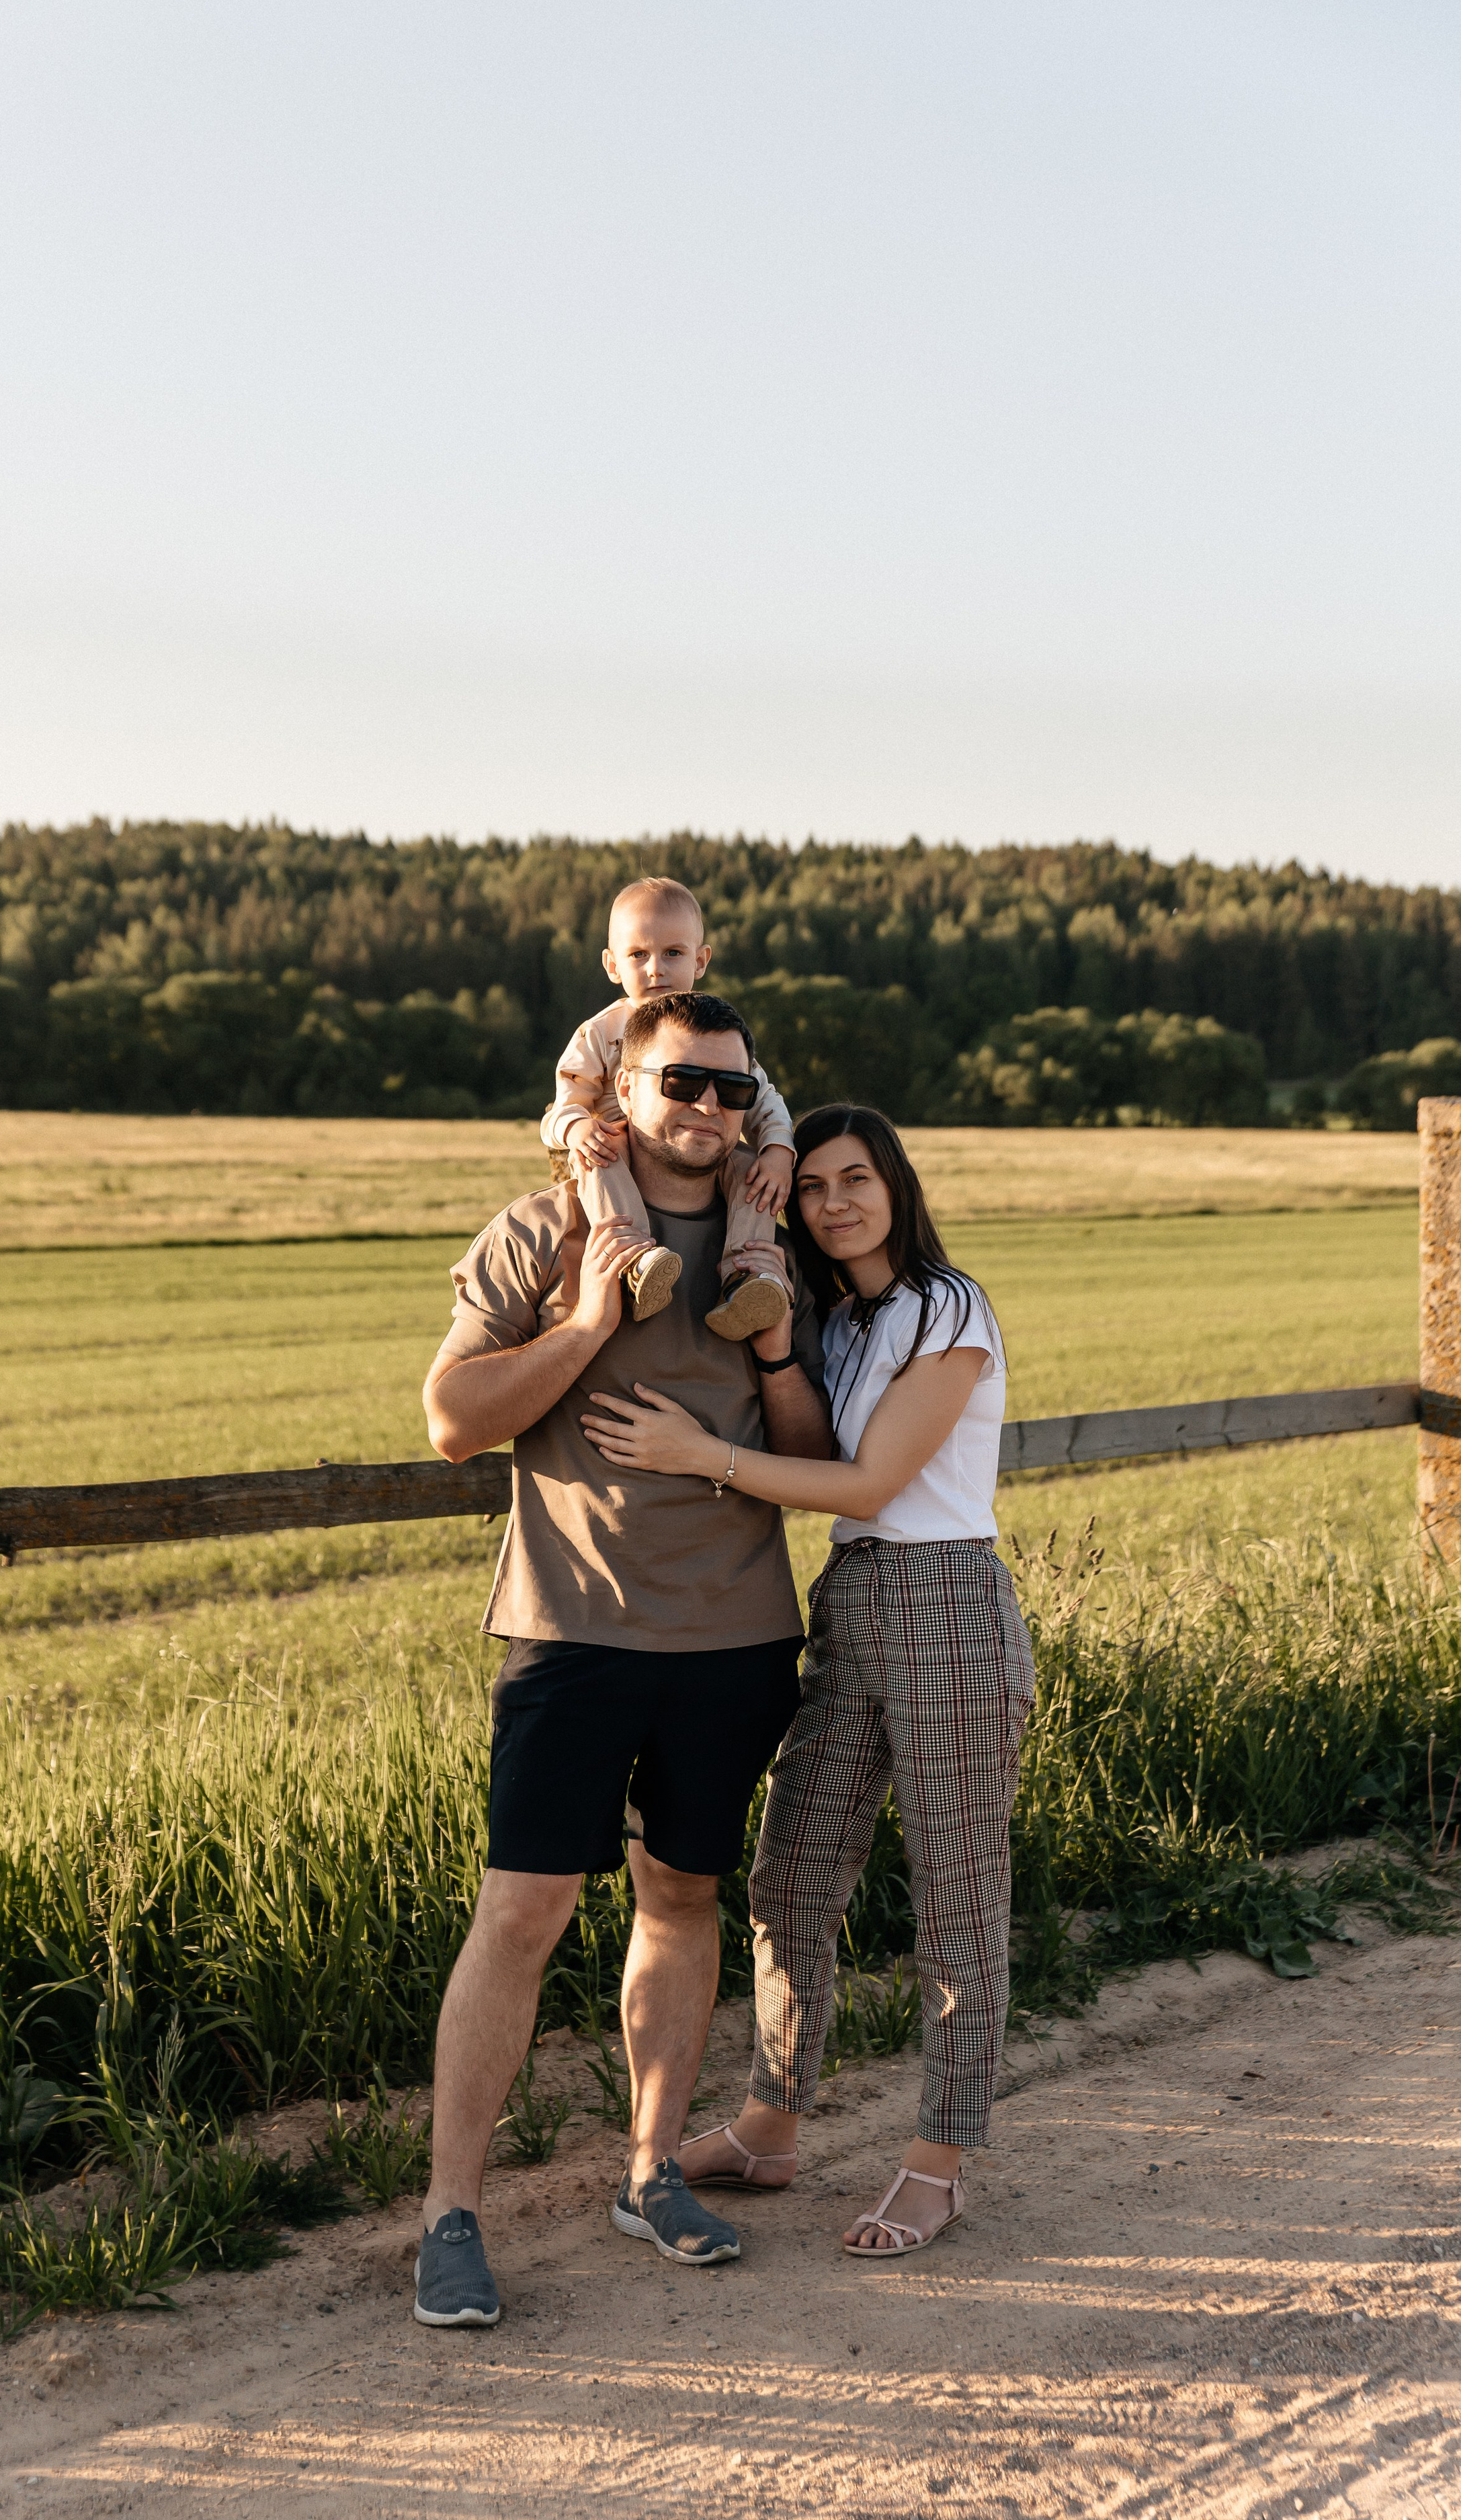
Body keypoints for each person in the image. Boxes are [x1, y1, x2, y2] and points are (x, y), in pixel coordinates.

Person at [411, 992, 833, 2328]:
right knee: (522, 1915)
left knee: (680, 1897)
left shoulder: (782, 1247)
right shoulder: (543, 1231)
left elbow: (816, 1458)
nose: (702, 1109)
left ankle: (650, 2170)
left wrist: (769, 1354)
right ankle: (450, 2215)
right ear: (624, 1088)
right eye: (678, 1085)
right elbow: (450, 1421)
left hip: (735, 1637)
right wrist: (587, 1326)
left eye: (727, 1088)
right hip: (571, 1631)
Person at [582, 1102, 1034, 2265]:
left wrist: (703, 1459)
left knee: (956, 1894)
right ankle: (771, 2126)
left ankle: (938, 2166)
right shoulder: (828, 1324)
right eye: (815, 1186)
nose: (834, 1203)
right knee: (791, 1875)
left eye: (856, 1180)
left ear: (897, 1185)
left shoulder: (951, 1306)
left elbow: (876, 1479)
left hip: (945, 1603)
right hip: (848, 1608)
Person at [542, 877, 796, 1340]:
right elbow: (562, 1106)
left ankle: (746, 1276)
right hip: (616, 1147)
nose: (656, 968)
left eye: (673, 953)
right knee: (604, 1154)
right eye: (639, 954)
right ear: (612, 964)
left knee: (749, 1171)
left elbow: (761, 1097)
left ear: (701, 961)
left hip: (700, 1150)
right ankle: (638, 1262)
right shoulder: (601, 1034)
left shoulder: (716, 1033)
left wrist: (778, 1149)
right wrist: (578, 1129)